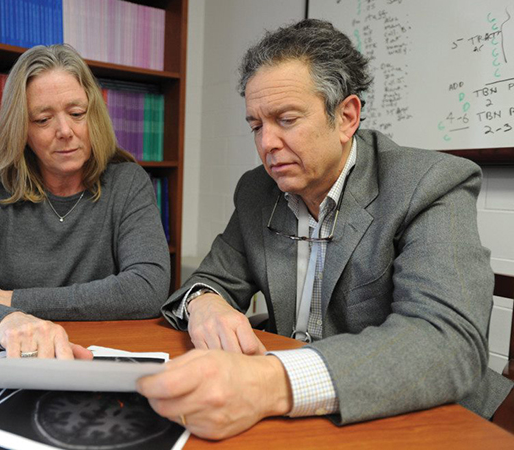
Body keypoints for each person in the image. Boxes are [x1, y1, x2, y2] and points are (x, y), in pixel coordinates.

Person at [136, 19, 514, 440]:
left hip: (418, 416)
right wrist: (206, 303)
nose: (267, 144)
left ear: (346, 116)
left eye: (286, 119)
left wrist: (271, 381)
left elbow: (447, 343)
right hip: (298, 419)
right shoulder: (257, 190)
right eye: (256, 126)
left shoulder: (428, 183)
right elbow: (211, 279)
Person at [0, 44, 170, 359]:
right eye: (42, 119)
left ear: (94, 114)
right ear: (22, 129)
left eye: (77, 113)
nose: (65, 131)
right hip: (16, 355)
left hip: (99, 355)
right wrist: (3, 320)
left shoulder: (128, 181)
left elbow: (148, 288)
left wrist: (12, 300)